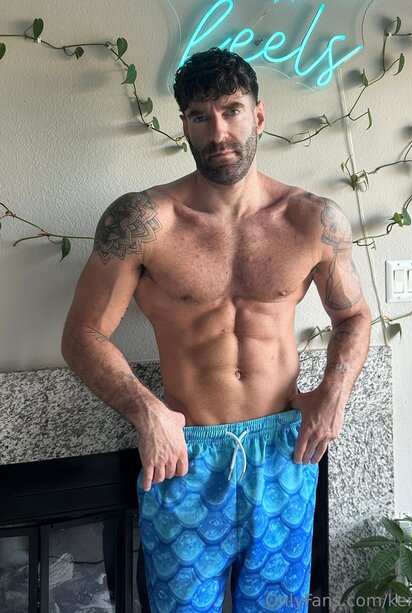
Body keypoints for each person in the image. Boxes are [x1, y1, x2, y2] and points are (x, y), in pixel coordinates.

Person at [62, 48, 371, 612]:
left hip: (285, 453)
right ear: (184, 124)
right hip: (184, 454)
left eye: (232, 111)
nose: (218, 131)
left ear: (259, 116)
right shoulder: (142, 221)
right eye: (201, 116)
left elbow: (353, 317)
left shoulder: (312, 219)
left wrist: (334, 392)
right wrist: (147, 411)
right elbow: (82, 334)